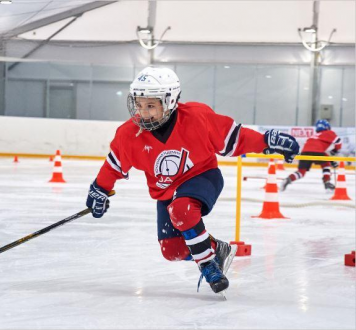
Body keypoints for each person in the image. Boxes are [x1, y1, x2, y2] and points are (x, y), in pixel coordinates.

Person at [85, 67, 299, 294]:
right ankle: (217, 250)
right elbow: (113, 165)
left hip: (203, 177)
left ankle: (207, 265)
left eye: (150, 106)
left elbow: (236, 138)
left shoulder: (197, 117)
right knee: (172, 250)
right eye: (139, 105)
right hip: (166, 193)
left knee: (182, 208)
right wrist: (99, 189)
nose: (143, 113)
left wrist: (266, 141)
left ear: (169, 102)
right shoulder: (129, 134)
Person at [281, 119, 342, 191]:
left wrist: (330, 159)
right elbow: (338, 141)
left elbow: (313, 148)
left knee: (301, 172)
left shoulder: (313, 136)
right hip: (318, 152)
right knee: (326, 165)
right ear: (327, 127)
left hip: (304, 152)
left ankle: (288, 179)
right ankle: (327, 182)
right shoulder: (329, 132)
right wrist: (335, 151)